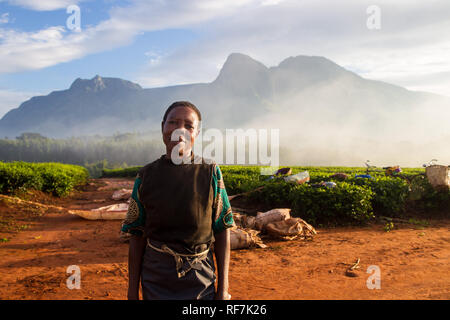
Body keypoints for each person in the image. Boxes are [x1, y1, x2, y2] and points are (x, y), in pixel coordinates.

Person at [121, 101, 234, 300]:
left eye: (189, 126)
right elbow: (136, 235)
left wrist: (223, 289)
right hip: (156, 278)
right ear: (162, 127)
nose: (179, 130)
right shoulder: (146, 176)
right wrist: (132, 292)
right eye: (173, 122)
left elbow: (222, 229)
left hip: (201, 279)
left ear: (197, 133)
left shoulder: (210, 172)